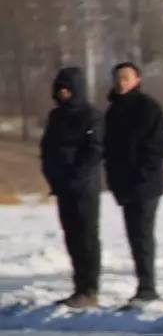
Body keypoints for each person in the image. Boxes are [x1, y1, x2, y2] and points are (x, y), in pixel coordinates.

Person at [104, 62, 163, 308]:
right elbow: (108, 149)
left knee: (142, 234)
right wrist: (114, 179)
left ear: (137, 80)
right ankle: (143, 284)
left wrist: (141, 173)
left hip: (145, 183)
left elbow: (158, 146)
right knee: (134, 235)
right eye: (118, 78)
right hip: (124, 184)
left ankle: (148, 287)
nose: (122, 82)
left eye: (126, 78)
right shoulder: (113, 111)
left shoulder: (148, 108)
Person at [40, 67, 105, 309]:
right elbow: (47, 149)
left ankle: (90, 289)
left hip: (84, 187)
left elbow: (95, 149)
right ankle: (79, 288)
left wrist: (76, 177)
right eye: (60, 89)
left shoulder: (92, 116)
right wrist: (53, 177)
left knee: (87, 237)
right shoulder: (55, 117)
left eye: (68, 88)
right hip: (62, 187)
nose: (63, 93)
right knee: (72, 238)